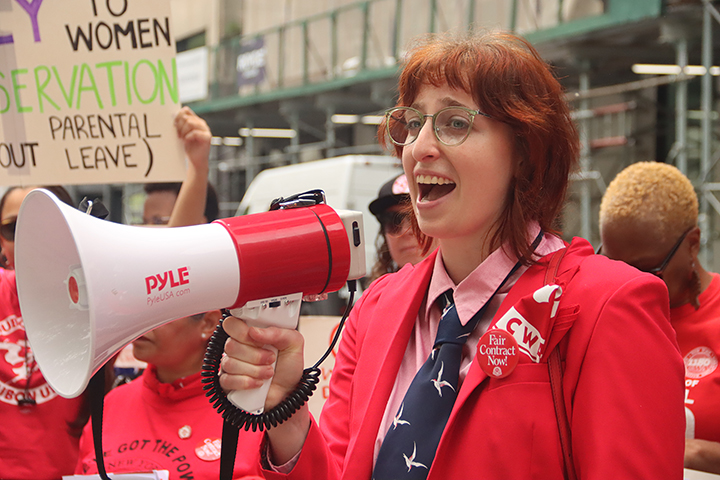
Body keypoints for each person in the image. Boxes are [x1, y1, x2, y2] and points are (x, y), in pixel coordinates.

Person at [218, 30, 686, 480]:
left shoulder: (609, 306)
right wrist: (287, 411)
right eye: (413, 123)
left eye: (456, 123)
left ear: (526, 151)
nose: (419, 148)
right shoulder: (376, 308)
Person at [74, 107, 265, 478]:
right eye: (144, 221)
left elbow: (177, 255)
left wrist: (197, 169)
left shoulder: (252, 415)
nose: (151, 233)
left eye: (161, 222)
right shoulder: (110, 409)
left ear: (208, 321)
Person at [598, 161, 720, 475]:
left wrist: (688, 451)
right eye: (613, 268)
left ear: (692, 244)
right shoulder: (602, 318)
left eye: (645, 272)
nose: (628, 287)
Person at [0, 185, 91, 479]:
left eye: (43, 224)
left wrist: (197, 171)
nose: (29, 237)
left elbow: (168, 269)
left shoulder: (97, 298)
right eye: (14, 228)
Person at [367, 173, 428, 283]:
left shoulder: (460, 289)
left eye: (417, 218)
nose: (405, 231)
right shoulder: (379, 291)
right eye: (392, 221)